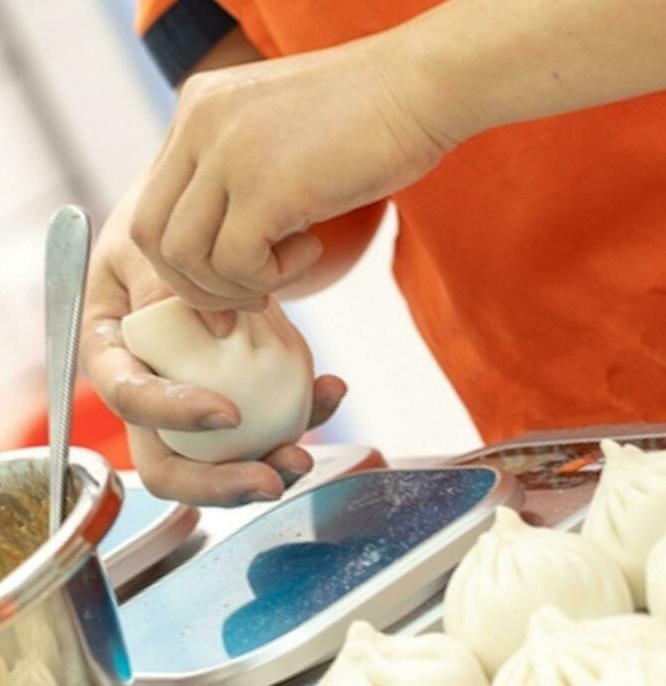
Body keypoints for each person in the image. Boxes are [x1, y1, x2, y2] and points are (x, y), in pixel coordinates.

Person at [57, 0, 666, 506]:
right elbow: (307, 168)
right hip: (576, 439)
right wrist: (180, 240)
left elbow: (376, 104)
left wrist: (405, 90)